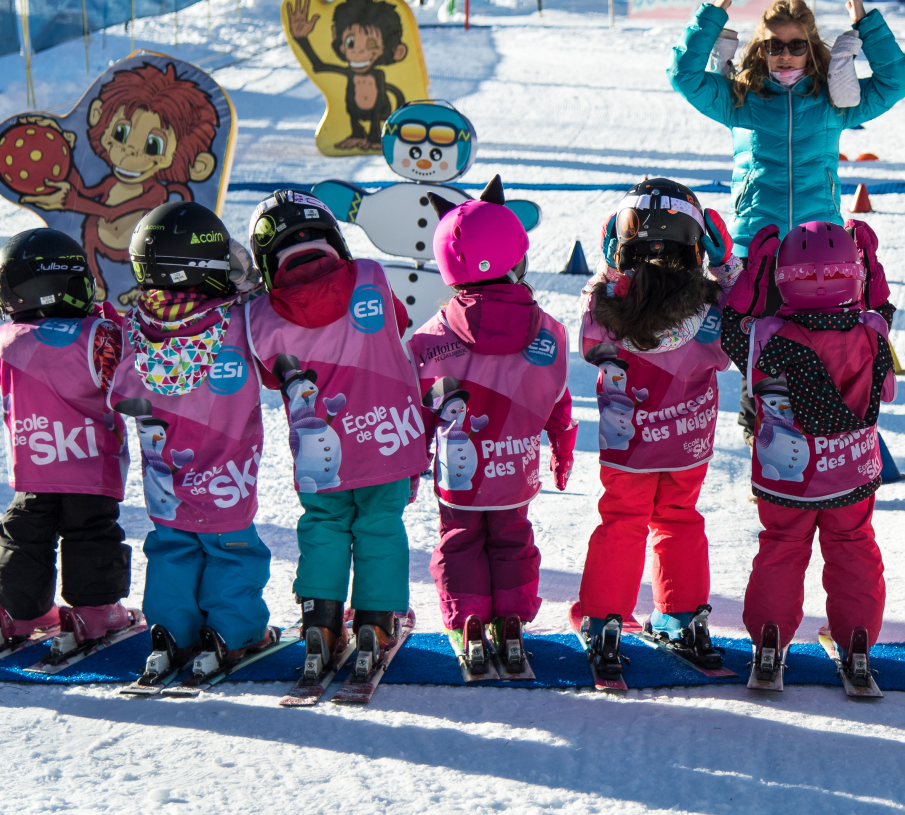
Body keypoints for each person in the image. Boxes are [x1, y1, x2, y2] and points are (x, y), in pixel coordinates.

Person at [245, 189, 427, 685]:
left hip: (320, 457)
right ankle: (376, 622)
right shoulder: (370, 276)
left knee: (324, 525)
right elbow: (401, 322)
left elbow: (267, 375)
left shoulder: (260, 314)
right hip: (388, 437)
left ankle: (321, 624)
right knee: (380, 526)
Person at [408, 177, 575, 676]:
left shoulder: (430, 338)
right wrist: (562, 446)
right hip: (515, 470)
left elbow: (415, 411)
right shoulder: (548, 330)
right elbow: (558, 398)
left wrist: (409, 465)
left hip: (458, 477)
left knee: (460, 539)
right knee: (512, 539)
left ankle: (471, 621)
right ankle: (511, 623)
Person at [575, 178, 739, 681]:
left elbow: (588, 333)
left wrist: (609, 262)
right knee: (679, 518)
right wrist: (724, 265)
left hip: (628, 448)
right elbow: (741, 327)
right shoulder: (710, 309)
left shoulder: (605, 308)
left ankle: (604, 618)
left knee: (622, 520)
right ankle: (683, 615)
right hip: (688, 444)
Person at [721, 219, 895, 687]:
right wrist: (872, 265)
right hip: (850, 472)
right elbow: (882, 308)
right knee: (853, 546)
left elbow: (730, 326)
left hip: (785, 478)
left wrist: (754, 274)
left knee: (781, 548)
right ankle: (857, 641)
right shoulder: (871, 331)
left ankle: (770, 640)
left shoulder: (766, 337)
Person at [112, 202, 273, 683]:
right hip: (226, 475)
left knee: (172, 550)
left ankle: (169, 635)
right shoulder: (237, 321)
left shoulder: (134, 325)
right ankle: (232, 632)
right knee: (232, 551)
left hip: (166, 480)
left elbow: (118, 391)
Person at [669, 0, 905, 250]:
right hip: (753, 241)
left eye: (796, 45)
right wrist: (712, 16)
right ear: (762, 49)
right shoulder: (739, 98)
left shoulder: (832, 99)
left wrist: (866, 24)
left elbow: (894, 82)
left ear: (810, 47)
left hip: (820, 241)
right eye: (774, 45)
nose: (785, 54)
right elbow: (683, 76)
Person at [0, 229, 133, 658]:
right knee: (91, 534)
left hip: (34, 465)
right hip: (90, 465)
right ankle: (94, 611)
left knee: (24, 536)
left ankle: (15, 610)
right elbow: (125, 361)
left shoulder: (4, 339)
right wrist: (102, 313)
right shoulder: (100, 334)